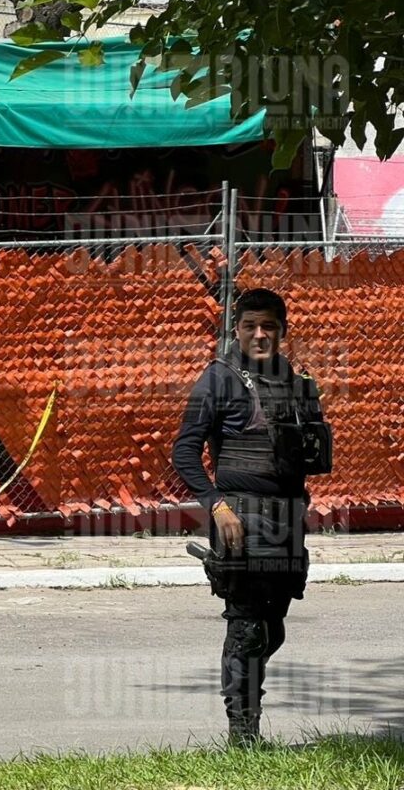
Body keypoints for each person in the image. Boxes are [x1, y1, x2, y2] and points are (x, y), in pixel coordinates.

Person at [171, 288, 327, 746]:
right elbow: (184, 452)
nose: (259, 335)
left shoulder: (292, 379)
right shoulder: (218, 379)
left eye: (269, 327)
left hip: (286, 520)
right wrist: (216, 506)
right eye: (249, 326)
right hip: (239, 519)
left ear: (282, 330)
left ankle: (247, 707)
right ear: (235, 329)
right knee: (245, 628)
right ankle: (243, 736)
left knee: (272, 626)